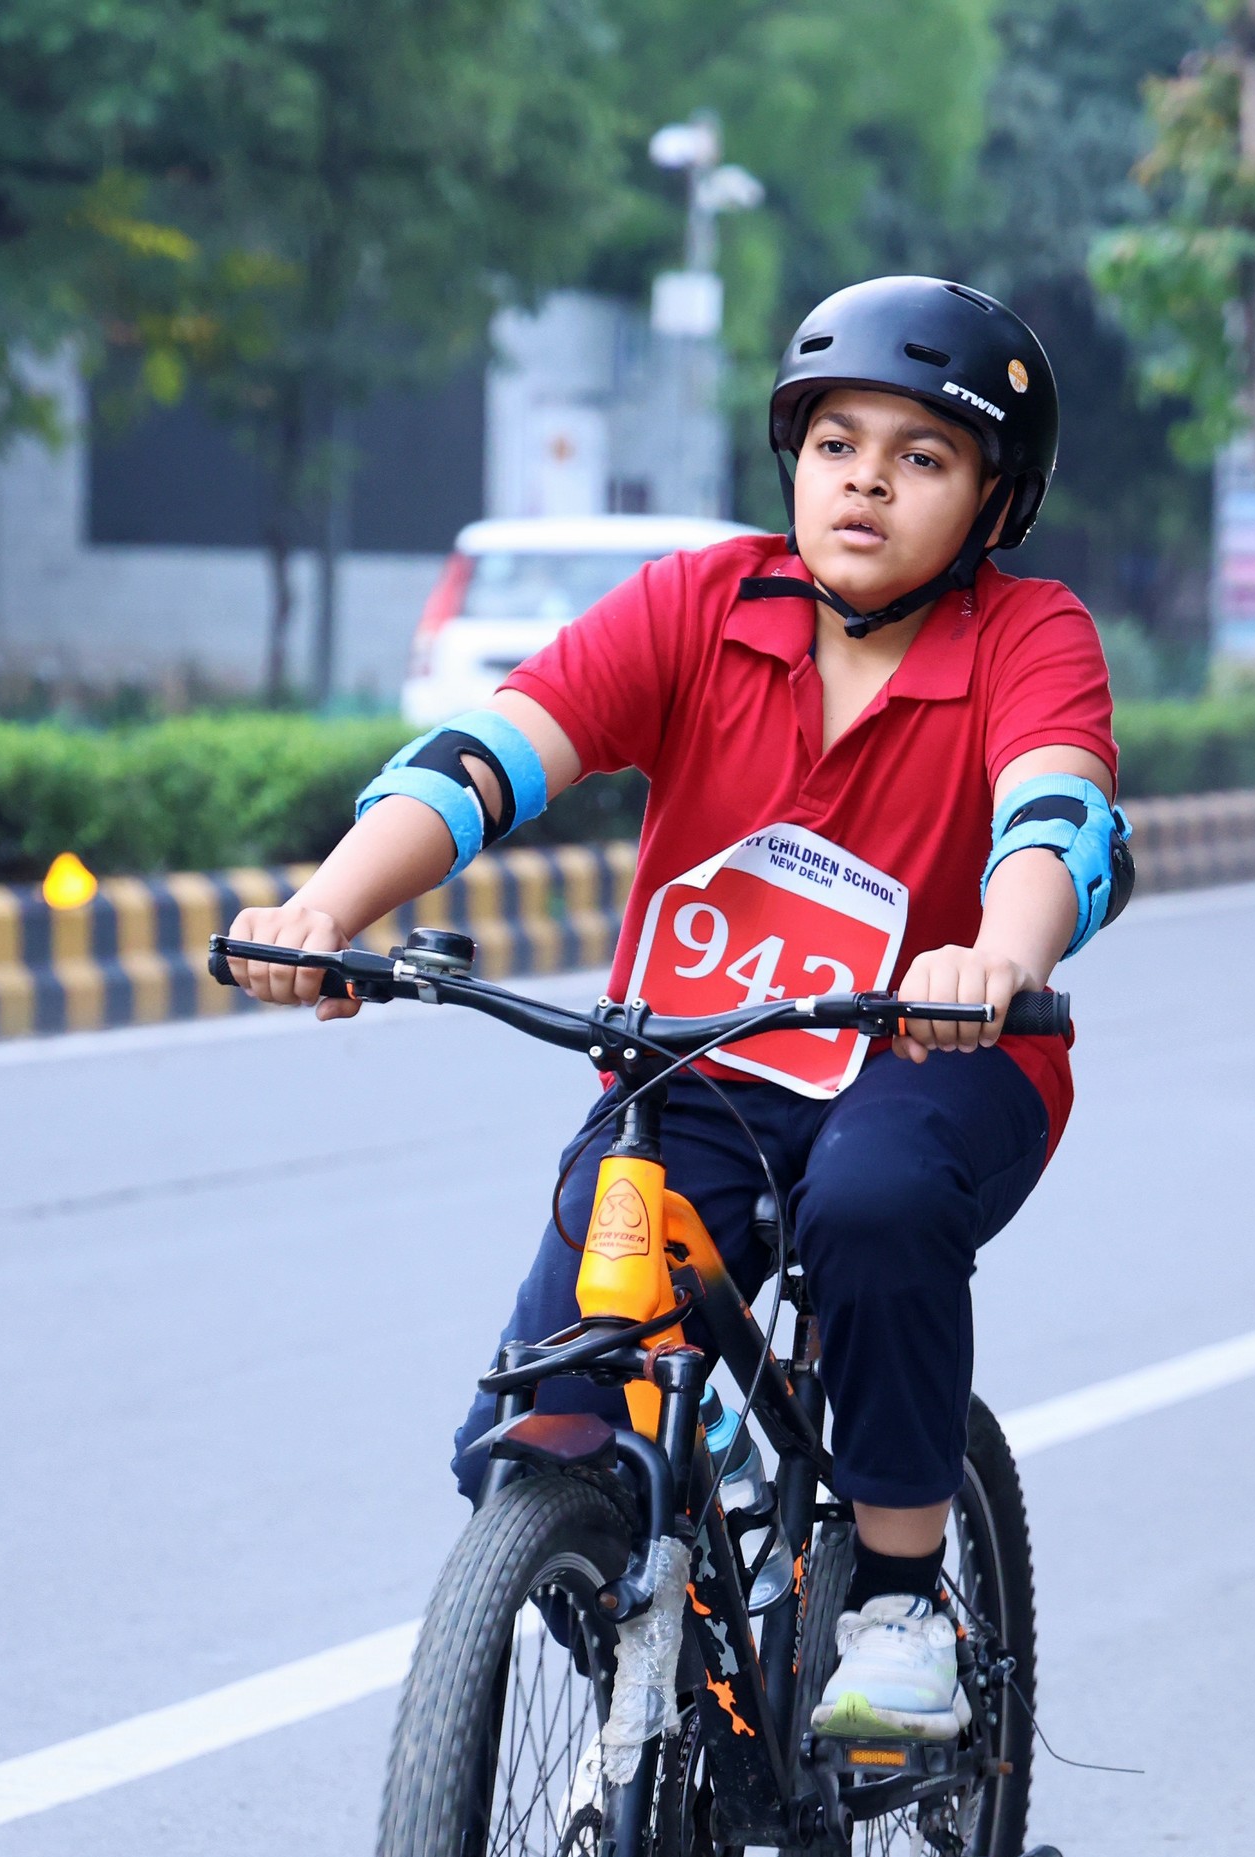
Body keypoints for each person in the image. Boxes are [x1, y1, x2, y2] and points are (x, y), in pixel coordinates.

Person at [229, 277, 1122, 1742]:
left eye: (920, 457)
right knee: (526, 1439)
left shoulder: (1031, 635)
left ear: (994, 499)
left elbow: (1056, 818)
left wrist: (995, 956)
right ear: (792, 459)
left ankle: (899, 1600)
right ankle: (675, 1669)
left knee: (875, 1203)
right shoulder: (698, 607)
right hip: (701, 1065)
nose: (865, 483)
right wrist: (327, 908)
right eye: (834, 444)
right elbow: (487, 757)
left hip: (937, 1057)